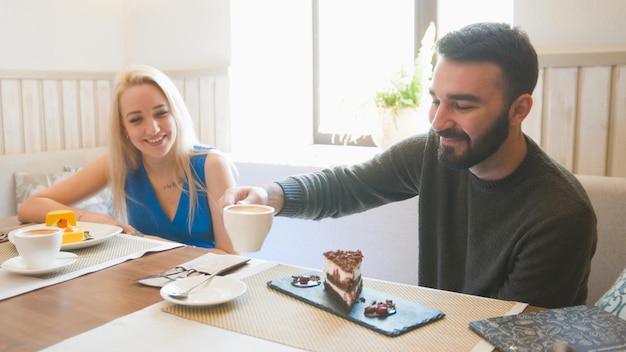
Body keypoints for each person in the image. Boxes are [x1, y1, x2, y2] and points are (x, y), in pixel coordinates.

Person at [220, 22, 597, 308]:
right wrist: (268, 195)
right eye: (436, 100)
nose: (438, 122)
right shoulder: (433, 153)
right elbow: (347, 185)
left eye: (462, 106)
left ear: (519, 109)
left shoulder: (560, 216)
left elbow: (511, 336)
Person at [18, 64, 237, 253]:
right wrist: (93, 218)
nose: (152, 128)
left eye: (161, 113)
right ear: (124, 128)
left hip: (209, 286)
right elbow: (30, 206)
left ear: (176, 114)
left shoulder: (211, 165)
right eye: (136, 119)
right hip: (145, 283)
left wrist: (166, 247)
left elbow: (232, 254)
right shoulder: (121, 163)